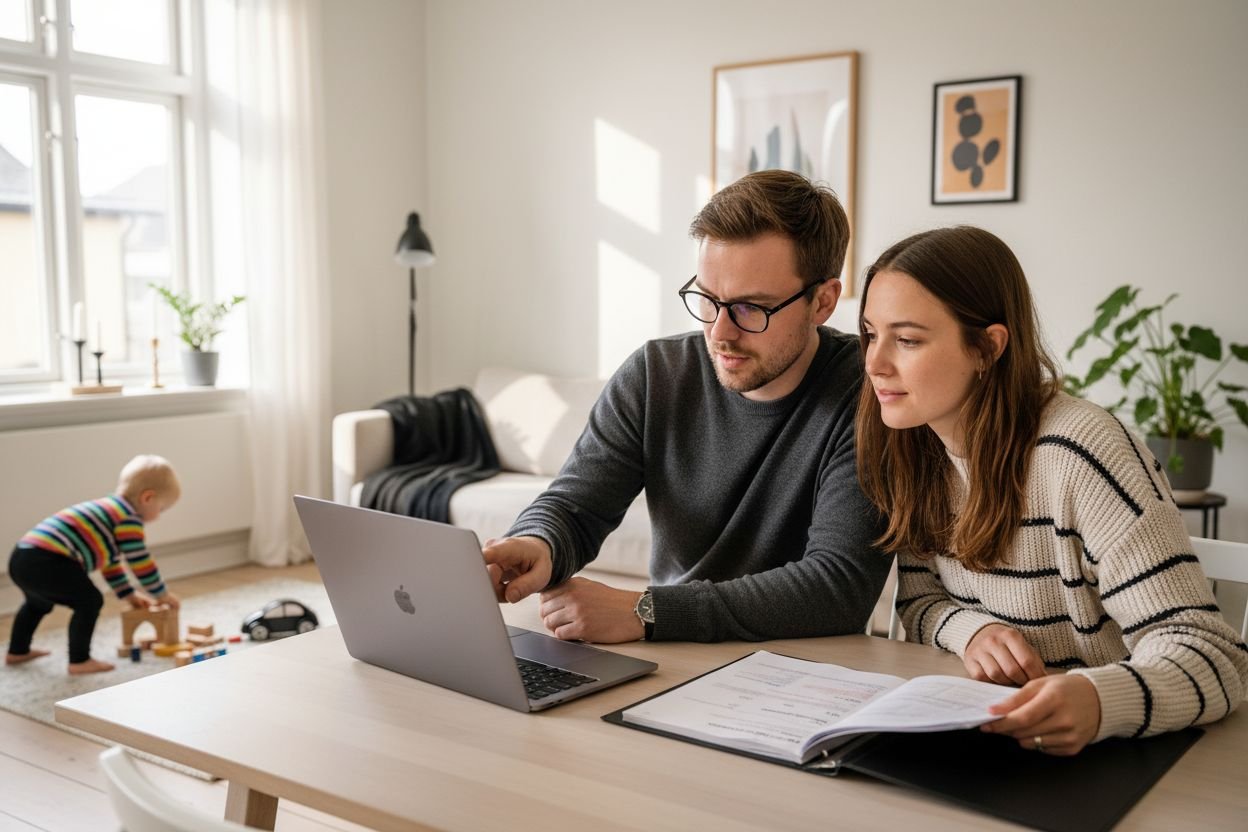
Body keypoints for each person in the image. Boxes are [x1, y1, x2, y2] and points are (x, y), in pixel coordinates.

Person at [856, 225, 1248, 755]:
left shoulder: (1084, 452)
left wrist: (1098, 699)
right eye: (870, 334)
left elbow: (1211, 655)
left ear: (987, 348)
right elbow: (923, 600)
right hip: (1007, 733)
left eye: (907, 340)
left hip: (1122, 751)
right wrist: (969, 630)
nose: (875, 363)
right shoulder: (914, 443)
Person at [481, 169, 890, 644]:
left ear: (823, 302)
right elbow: (577, 504)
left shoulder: (868, 393)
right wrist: (539, 543)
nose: (720, 333)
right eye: (707, 299)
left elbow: (837, 586)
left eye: (750, 308)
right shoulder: (656, 374)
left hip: (806, 665)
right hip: (673, 649)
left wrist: (648, 610)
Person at [5, 454, 182, 674]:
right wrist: (161, 594)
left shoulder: (110, 510)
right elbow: (140, 562)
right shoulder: (127, 518)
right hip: (47, 559)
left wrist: (130, 595)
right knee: (89, 601)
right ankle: (79, 660)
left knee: (37, 603)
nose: (159, 516)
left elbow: (111, 565)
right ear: (148, 498)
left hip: (22, 556)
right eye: (162, 509)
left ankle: (18, 650)